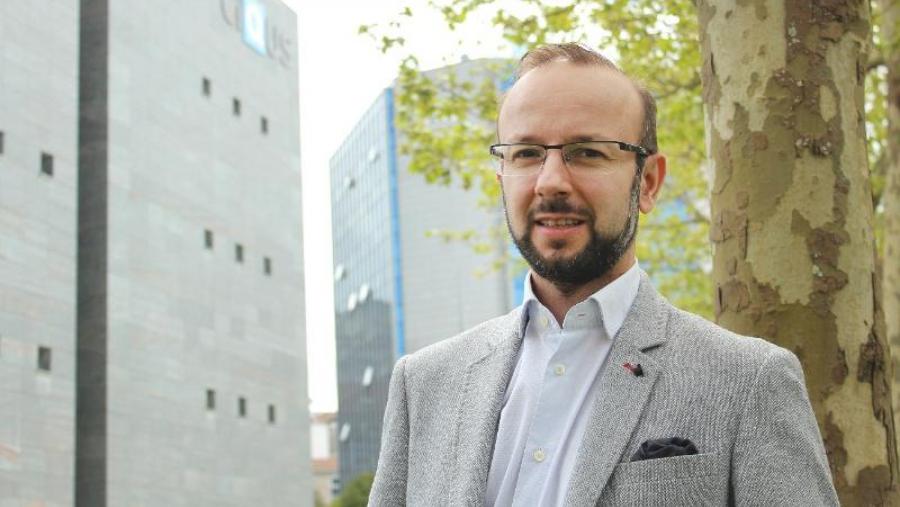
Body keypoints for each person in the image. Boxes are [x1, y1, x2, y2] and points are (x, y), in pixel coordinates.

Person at [368, 43, 838, 506]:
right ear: (502, 176)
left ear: (648, 183)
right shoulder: (424, 385)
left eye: (587, 152)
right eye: (527, 153)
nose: (550, 180)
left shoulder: (748, 379)